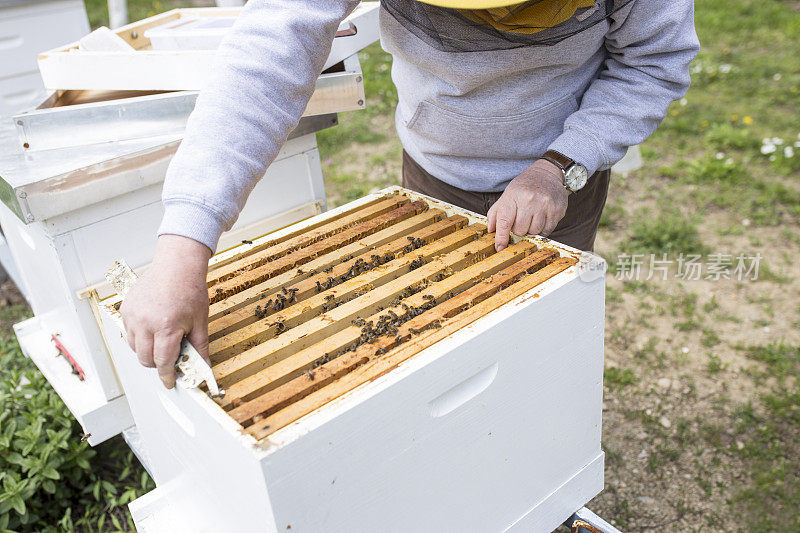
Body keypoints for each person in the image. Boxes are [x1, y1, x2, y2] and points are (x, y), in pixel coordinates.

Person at [121, 0, 699, 388]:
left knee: (535, 362)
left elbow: (654, 61)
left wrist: (560, 166)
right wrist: (183, 243)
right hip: (432, 172)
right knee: (436, 358)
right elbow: (267, 53)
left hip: (558, 188)